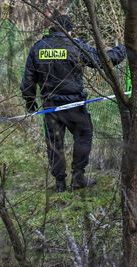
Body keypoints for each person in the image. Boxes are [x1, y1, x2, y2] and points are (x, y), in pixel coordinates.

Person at [20, 14, 126, 192]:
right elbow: (104, 61)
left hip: (50, 107)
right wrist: (124, 48)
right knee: (84, 135)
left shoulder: (37, 48)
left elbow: (28, 82)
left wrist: (30, 103)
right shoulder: (75, 46)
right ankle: (78, 177)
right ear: (69, 30)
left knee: (54, 143)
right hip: (74, 105)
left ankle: (60, 183)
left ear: (52, 28)